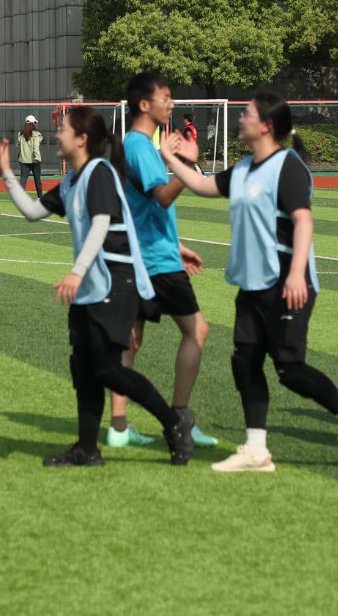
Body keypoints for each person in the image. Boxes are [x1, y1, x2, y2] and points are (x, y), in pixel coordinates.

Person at [163, 92, 338, 473]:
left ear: (266, 125)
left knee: (290, 368)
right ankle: (256, 450)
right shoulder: (244, 168)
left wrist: (296, 273)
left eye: (246, 114)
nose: (240, 118)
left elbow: (303, 221)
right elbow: (203, 186)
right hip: (252, 285)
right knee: (244, 362)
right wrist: (172, 158)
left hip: (287, 284)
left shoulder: (288, 166)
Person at [0, 107, 195, 467]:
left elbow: (102, 224)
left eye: (63, 129)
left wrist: (76, 272)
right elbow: (32, 211)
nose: (57, 134)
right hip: (92, 284)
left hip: (115, 282)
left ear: (82, 139)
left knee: (105, 369)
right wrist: (7, 173)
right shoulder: (72, 180)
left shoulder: (99, 172)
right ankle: (87, 450)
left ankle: (173, 422)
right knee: (84, 368)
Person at [107, 72, 217, 450]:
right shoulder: (140, 146)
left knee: (130, 340)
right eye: (165, 97)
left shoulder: (133, 144)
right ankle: (180, 419)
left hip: (146, 251)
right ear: (144, 104)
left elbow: (138, 207)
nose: (170, 104)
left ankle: (118, 427)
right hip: (156, 260)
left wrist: (176, 243)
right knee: (197, 331)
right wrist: (187, 165)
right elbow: (162, 197)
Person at [16, 115, 44, 194]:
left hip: (23, 160)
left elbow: (18, 145)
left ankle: (20, 197)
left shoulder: (20, 134)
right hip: (35, 161)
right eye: (35, 123)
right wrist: (37, 157)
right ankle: (40, 197)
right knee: (37, 180)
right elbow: (36, 147)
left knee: (23, 180)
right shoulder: (36, 134)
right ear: (33, 123)